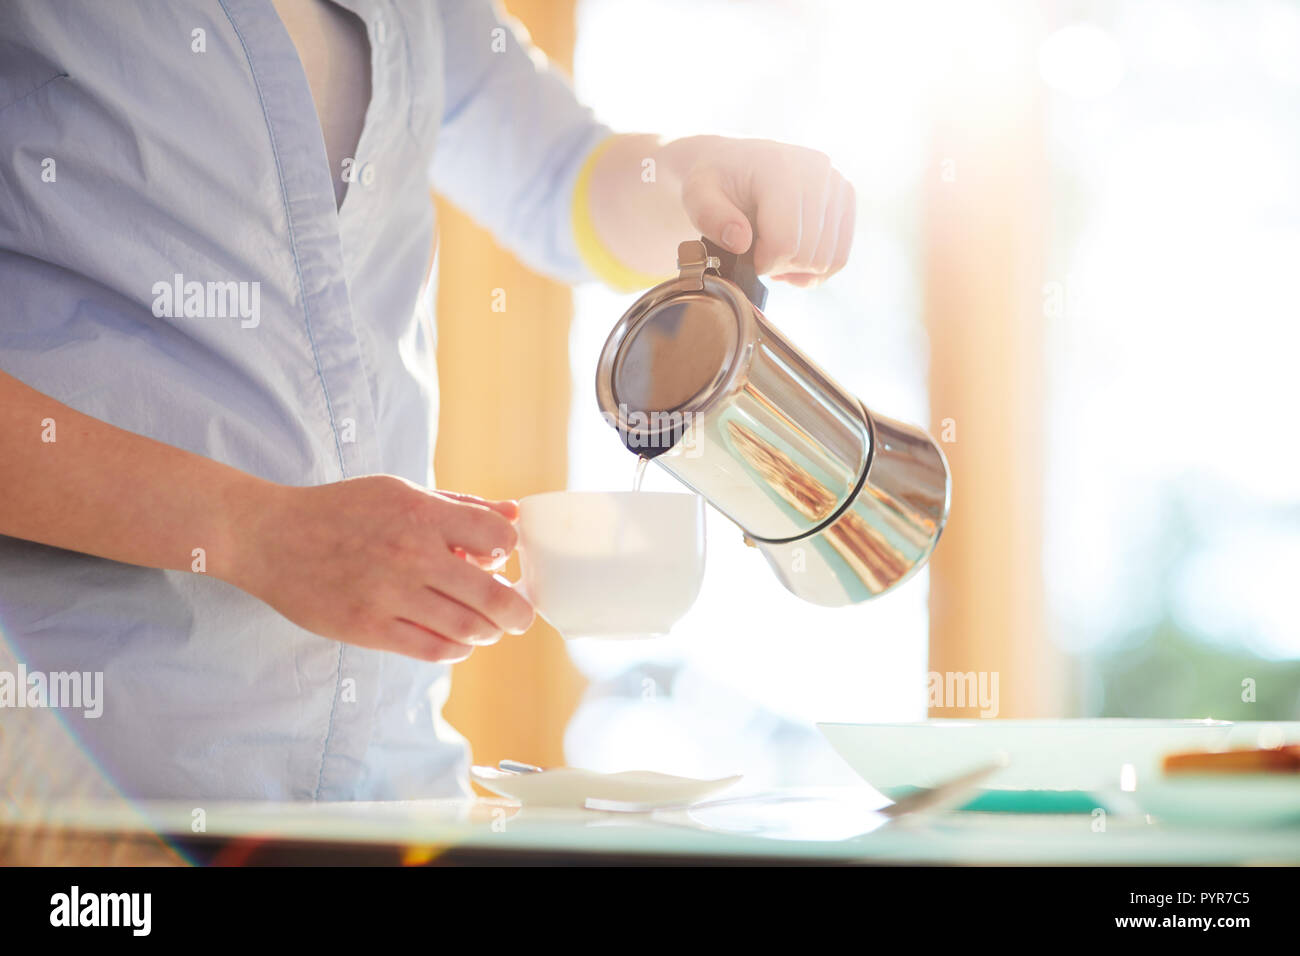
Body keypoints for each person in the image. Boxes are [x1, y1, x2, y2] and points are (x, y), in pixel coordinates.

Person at [0, 0, 856, 801]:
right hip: (82, 788)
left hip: (391, 779)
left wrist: (695, 175)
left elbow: (557, 175)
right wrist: (252, 531)